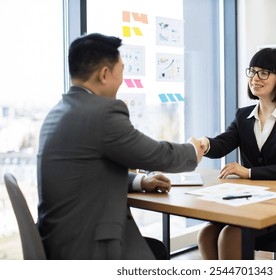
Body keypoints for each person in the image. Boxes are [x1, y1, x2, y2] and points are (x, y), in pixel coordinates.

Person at [37, 33, 204, 260]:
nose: (122, 79)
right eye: (122, 71)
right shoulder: (102, 112)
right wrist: (193, 150)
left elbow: (86, 175)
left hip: (61, 239)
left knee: (157, 250)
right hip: (88, 247)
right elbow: (156, 154)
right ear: (105, 74)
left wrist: (140, 181)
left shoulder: (58, 112)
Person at [197, 48, 276, 259]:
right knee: (206, 233)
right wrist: (205, 144)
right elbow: (223, 143)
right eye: (253, 71)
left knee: (230, 235)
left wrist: (249, 172)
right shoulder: (243, 116)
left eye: (264, 72)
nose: (255, 78)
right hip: (248, 204)